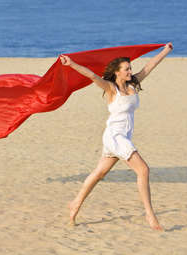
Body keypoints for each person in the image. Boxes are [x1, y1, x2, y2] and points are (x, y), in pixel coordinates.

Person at [60, 42, 173, 231]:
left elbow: (149, 66)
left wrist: (165, 51)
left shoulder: (133, 84)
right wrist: (70, 64)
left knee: (99, 173)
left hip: (120, 137)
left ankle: (75, 203)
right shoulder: (112, 88)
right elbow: (92, 75)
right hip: (116, 137)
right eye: (127, 69)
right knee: (143, 170)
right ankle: (149, 214)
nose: (130, 71)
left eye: (130, 68)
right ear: (118, 72)